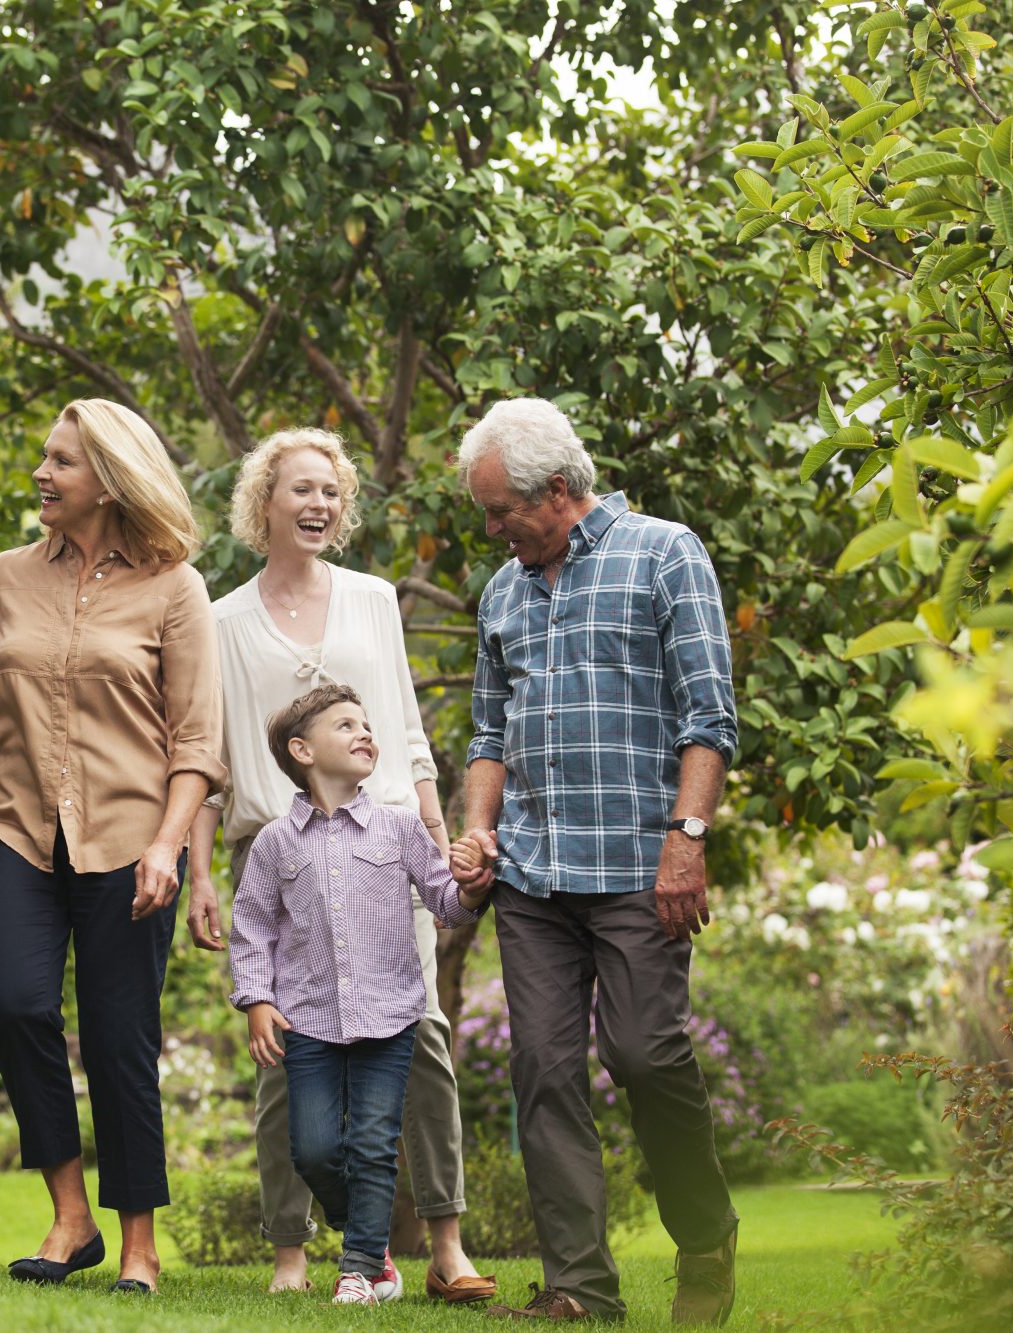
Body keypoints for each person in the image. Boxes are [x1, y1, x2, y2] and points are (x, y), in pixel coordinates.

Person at [445, 397, 740, 1324]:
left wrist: (686, 842)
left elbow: (709, 716)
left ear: (560, 491)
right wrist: (480, 830)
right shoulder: (503, 592)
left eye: (500, 512)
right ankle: (579, 1284)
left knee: (644, 1053)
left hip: (638, 866)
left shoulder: (664, 554)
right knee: (542, 1066)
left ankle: (704, 1235)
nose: (492, 531)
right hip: (532, 874)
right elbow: (489, 733)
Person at [185, 428, 496, 1305]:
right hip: (274, 851)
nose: (318, 504)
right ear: (264, 503)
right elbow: (209, 761)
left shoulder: (372, 600)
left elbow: (404, 733)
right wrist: (203, 873)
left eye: (332, 491)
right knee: (286, 1053)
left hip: (385, 845)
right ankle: (292, 1249)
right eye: (301, 490)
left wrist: (438, 839)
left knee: (424, 1037)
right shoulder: (223, 619)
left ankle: (445, 1242)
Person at [0, 398, 226, 1295]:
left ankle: (138, 1241)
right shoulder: (4, 577)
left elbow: (196, 741)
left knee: (118, 1035)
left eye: (60, 462)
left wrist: (170, 845)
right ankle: (70, 1214)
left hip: (133, 836)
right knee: (16, 1003)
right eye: (44, 458)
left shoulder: (174, 586)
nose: (41, 475)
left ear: (109, 476)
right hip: (11, 825)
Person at [229, 684, 491, 1307]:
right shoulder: (274, 843)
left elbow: (447, 905)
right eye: (346, 725)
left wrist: (472, 885)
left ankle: (361, 1269)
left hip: (390, 1016)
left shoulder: (400, 828)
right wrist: (256, 1000)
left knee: (374, 1143)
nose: (365, 733)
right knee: (315, 1150)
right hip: (309, 1021)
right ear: (303, 750)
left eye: (367, 724)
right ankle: (370, 1243)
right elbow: (253, 927)